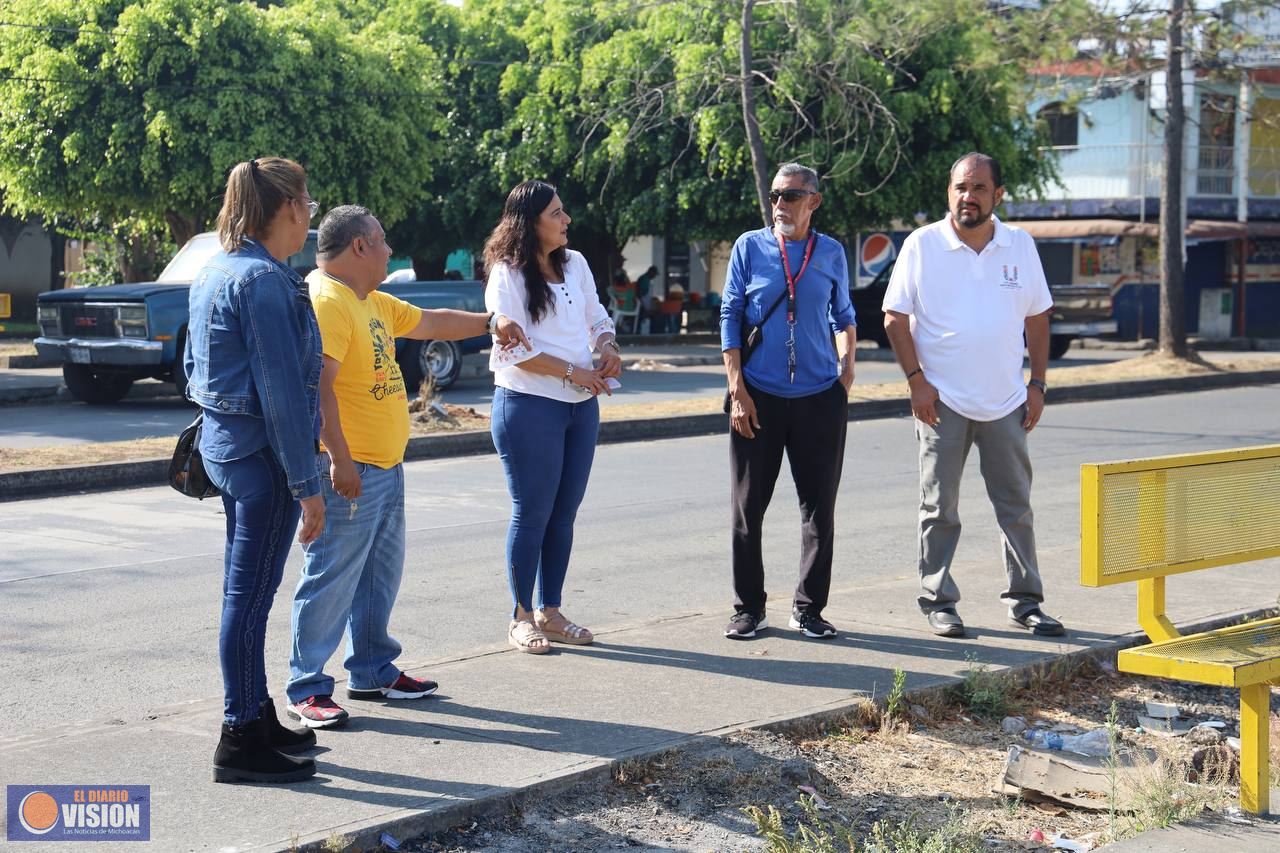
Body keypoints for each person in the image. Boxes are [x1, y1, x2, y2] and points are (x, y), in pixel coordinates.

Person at [285, 205, 529, 727]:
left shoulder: (368, 299)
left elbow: (429, 322)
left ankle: (373, 670)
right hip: (352, 470)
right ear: (358, 247)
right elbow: (319, 390)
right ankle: (306, 687)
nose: (390, 250)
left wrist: (491, 322)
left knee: (379, 576)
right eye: (382, 240)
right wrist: (341, 461)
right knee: (330, 579)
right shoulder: (328, 300)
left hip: (385, 467)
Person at [881, 151, 1065, 639]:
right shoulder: (922, 245)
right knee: (939, 507)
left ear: (997, 195)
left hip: (1007, 401)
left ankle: (1026, 602)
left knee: (1016, 507)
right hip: (941, 403)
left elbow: (1037, 318)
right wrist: (916, 380)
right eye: (961, 187)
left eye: (979, 188)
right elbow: (894, 318)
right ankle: (938, 599)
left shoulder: (1020, 246)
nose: (969, 196)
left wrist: (1038, 384)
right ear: (950, 192)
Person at [186, 157, 324, 784]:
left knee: (243, 598)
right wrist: (308, 484)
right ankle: (240, 735)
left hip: (228, 452)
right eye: (309, 206)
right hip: (265, 464)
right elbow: (283, 397)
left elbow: (197, 371)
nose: (309, 219)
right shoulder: (264, 281)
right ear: (290, 208)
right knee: (248, 601)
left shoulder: (215, 267)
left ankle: (254, 713)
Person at [483, 180, 622, 654]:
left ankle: (551, 610)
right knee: (533, 512)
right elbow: (514, 349)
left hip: (580, 406)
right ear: (530, 223)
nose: (566, 220)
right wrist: (573, 372)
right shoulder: (508, 273)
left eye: (564, 212)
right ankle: (521, 616)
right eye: (556, 214)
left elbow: (597, 318)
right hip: (527, 404)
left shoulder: (576, 263)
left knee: (564, 514)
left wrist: (607, 348)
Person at [720, 163, 857, 641]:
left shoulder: (832, 253)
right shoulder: (748, 246)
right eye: (776, 194)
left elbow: (844, 313)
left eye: (792, 195)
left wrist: (847, 369)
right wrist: (737, 390)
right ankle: (748, 608)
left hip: (820, 396)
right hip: (758, 395)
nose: (781, 204)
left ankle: (808, 608)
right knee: (747, 509)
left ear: (813, 201)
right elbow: (730, 315)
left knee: (819, 509)